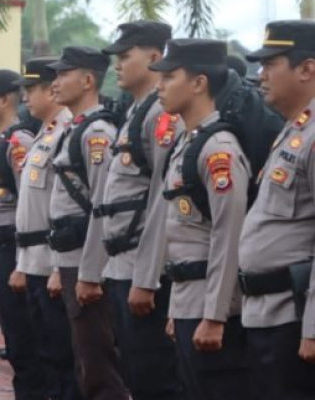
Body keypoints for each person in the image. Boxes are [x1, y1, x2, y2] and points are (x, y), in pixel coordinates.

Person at [150, 38, 254, 400]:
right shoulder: (188, 143)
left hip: (213, 309)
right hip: (188, 301)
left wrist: (215, 316)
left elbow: (228, 236)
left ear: (199, 83)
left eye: (169, 76)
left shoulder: (218, 149)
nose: (160, 86)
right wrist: (177, 309)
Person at [98, 21, 186, 400]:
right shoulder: (136, 112)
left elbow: (163, 201)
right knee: (135, 373)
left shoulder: (161, 115)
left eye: (125, 56)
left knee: (156, 376)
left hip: (145, 270)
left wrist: (147, 278)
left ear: (153, 56)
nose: (117, 65)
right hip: (123, 265)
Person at [47, 46, 128, 399]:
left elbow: (102, 206)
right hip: (71, 257)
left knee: (98, 361)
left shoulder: (97, 133)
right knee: (84, 355)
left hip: (86, 260)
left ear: (88, 80)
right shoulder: (75, 128)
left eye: (64, 74)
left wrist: (91, 273)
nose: (56, 82)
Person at [239, 20, 315, 399]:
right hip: (267, 314)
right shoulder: (293, 130)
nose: (261, 74)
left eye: (271, 64)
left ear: (307, 69)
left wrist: (313, 328)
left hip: (294, 318)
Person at [13, 57, 83, 400]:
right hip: (34, 260)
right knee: (45, 348)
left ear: (51, 91)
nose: (25, 97)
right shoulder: (46, 133)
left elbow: (66, 207)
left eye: (32, 89)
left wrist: (57, 267)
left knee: (63, 352)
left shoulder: (67, 132)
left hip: (53, 261)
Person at [0, 69, 44, 400]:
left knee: (25, 339)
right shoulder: (1, 140)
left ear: (4, 100)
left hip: (16, 247)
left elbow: (29, 204)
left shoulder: (19, 142)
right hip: (1, 246)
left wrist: (22, 263)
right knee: (15, 336)